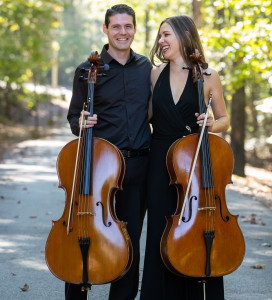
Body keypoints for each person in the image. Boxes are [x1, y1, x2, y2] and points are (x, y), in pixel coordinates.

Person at [140, 16, 229, 300]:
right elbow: (148, 114)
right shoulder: (155, 74)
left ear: (184, 34)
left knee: (195, 228)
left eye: (166, 34)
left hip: (195, 159)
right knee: (159, 230)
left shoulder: (208, 75)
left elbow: (225, 119)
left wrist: (210, 124)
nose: (161, 41)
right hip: (159, 160)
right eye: (159, 36)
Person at [66, 4, 151, 300]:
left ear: (135, 29)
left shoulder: (147, 69)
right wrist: (80, 122)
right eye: (116, 26)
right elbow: (74, 116)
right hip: (99, 170)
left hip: (139, 167)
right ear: (105, 29)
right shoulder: (86, 70)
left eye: (128, 26)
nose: (122, 32)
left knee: (128, 244)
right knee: (85, 235)